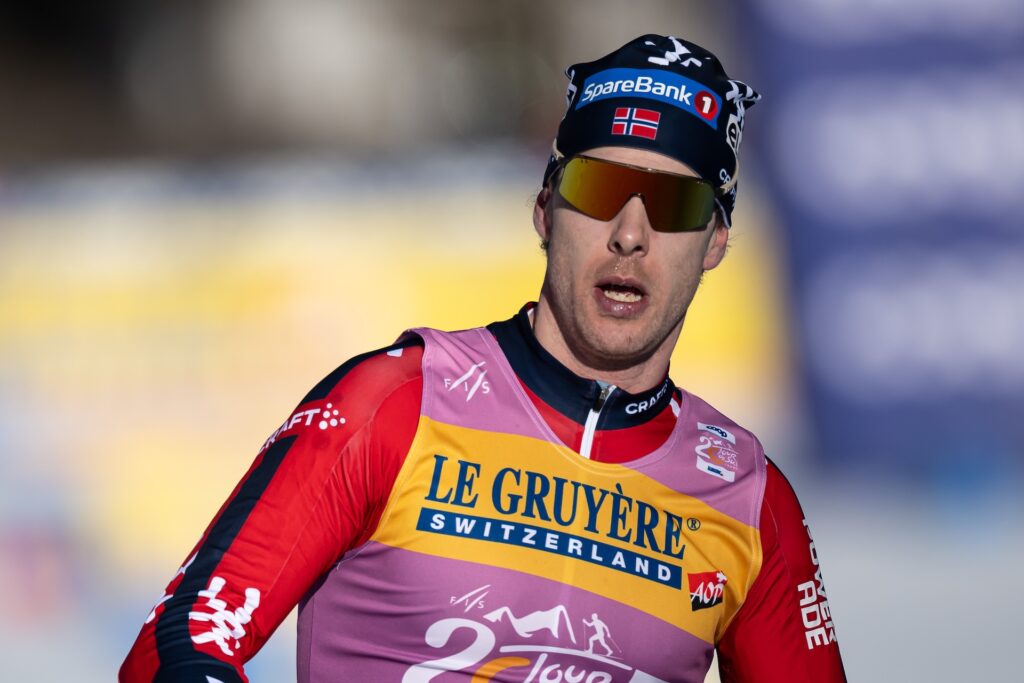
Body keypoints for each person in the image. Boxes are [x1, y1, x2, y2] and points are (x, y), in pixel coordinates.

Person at [121, 34, 847, 682]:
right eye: (598, 190)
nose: (630, 234)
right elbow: (178, 643)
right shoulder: (396, 403)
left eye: (676, 206)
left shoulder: (751, 499)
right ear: (544, 211)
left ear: (715, 241)